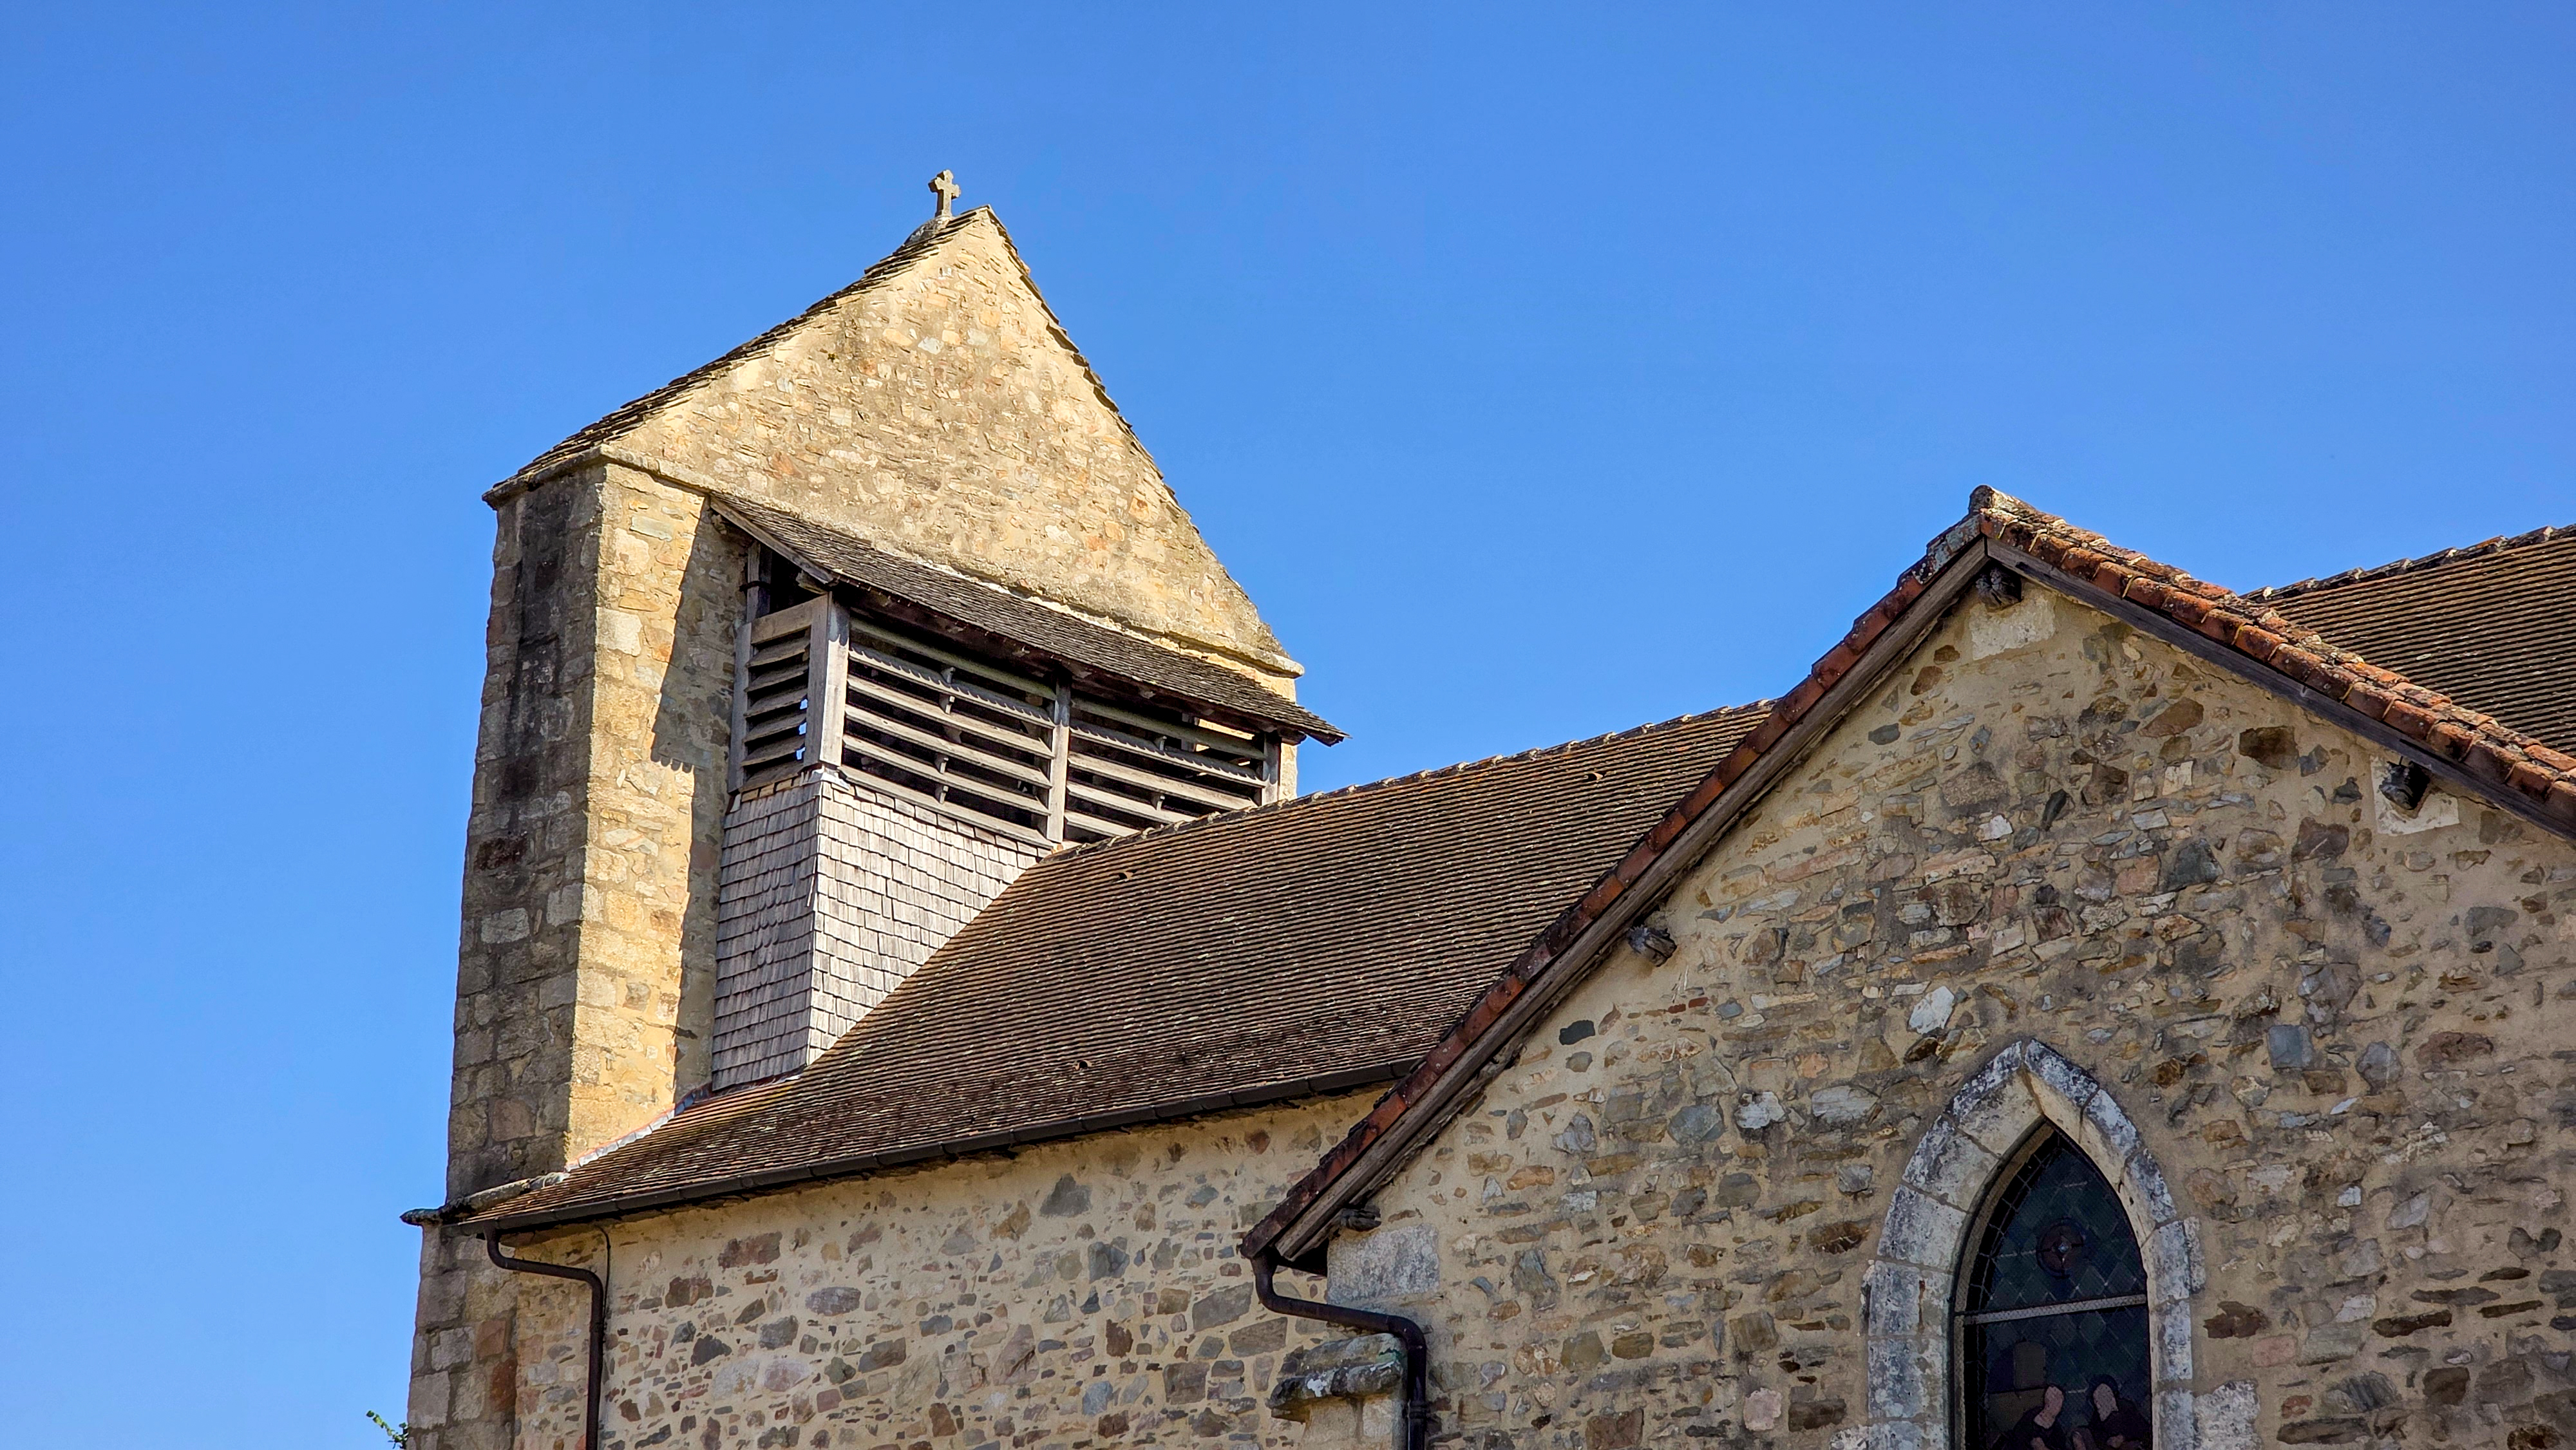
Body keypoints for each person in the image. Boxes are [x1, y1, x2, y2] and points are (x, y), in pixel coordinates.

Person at [2077, 1375, 2150, 1450]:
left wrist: (2123, 1438)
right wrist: (2108, 1442)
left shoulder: (2127, 1408)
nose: (2099, 1404)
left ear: (2112, 1397)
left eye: (2103, 1396)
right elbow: (2096, 1437)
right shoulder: (2096, 1419)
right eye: (2096, 1400)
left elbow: (2144, 1432)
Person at [1993, 1384, 2070, 1450]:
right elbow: (2019, 1440)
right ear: (2045, 1400)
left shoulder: (2057, 1430)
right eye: (2052, 1397)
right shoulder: (2030, 1418)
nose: (2055, 1402)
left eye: (2059, 1398)